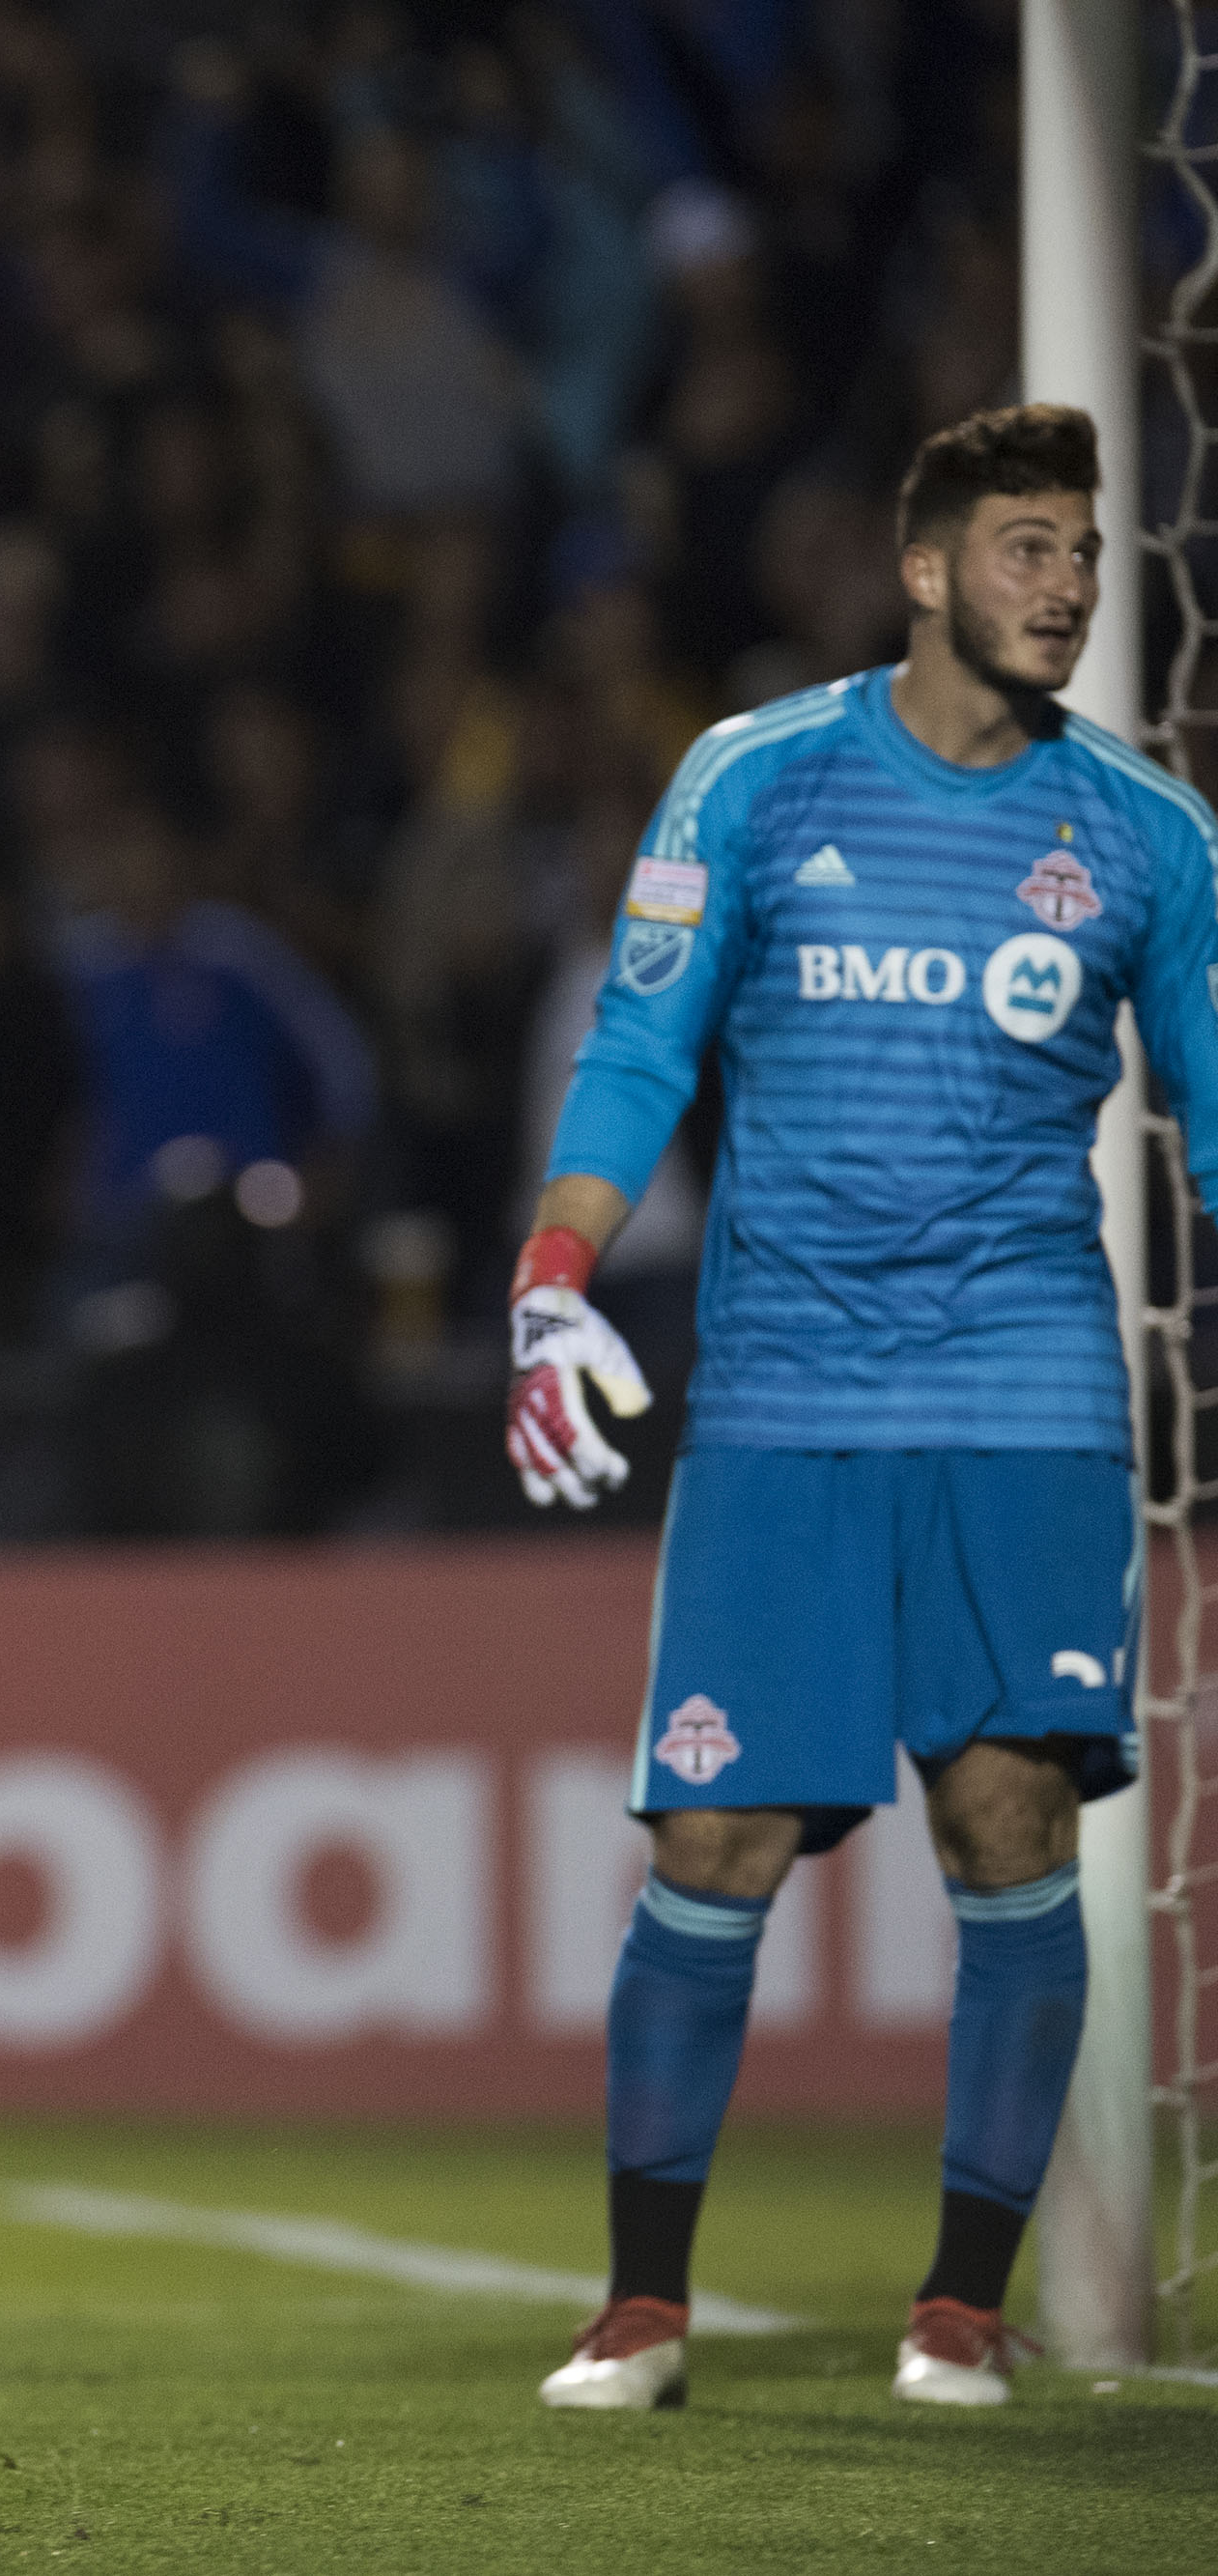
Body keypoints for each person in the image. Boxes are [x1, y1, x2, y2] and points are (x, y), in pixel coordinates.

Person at [510, 407, 1214, 2412]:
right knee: (713, 1826)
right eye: (1020, 547)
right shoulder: (752, 777)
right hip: (785, 1395)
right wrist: (548, 1270)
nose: (1063, 584)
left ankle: (960, 2304)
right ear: (921, 571)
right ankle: (642, 2299)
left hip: (1025, 1389)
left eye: (1077, 551)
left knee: (1003, 1815)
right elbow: (636, 1056)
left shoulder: (1149, 837)